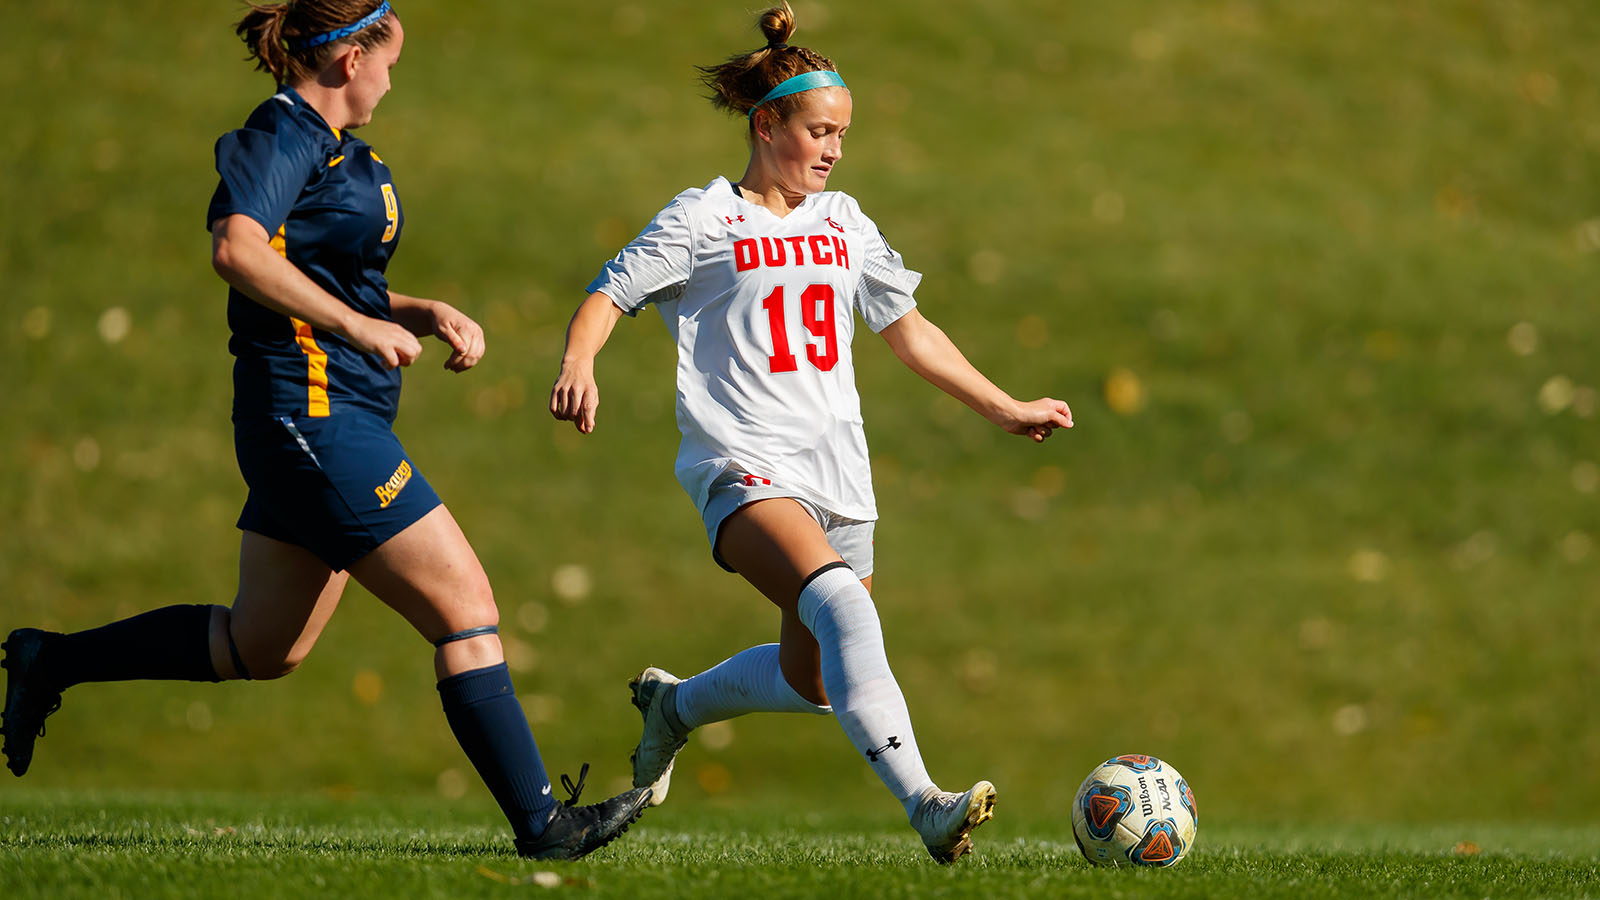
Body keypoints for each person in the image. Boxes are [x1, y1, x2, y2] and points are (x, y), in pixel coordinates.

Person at [1, 0, 649, 861]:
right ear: (350, 60)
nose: (391, 78)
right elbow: (238, 249)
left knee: (260, 646)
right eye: (389, 62)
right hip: (311, 419)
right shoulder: (281, 134)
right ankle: (545, 826)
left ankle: (50, 661)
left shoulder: (340, 151)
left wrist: (416, 311)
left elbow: (317, 272)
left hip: (324, 419)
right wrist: (353, 329)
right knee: (468, 611)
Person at [548, 2, 1074, 864]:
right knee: (839, 607)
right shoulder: (705, 218)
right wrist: (579, 361)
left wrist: (1003, 405)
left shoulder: (845, 224)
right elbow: (609, 294)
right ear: (766, 124)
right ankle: (928, 806)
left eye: (843, 134)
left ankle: (673, 709)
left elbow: (909, 330)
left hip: (838, 471)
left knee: (816, 678)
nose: (833, 148)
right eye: (820, 130)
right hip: (741, 464)